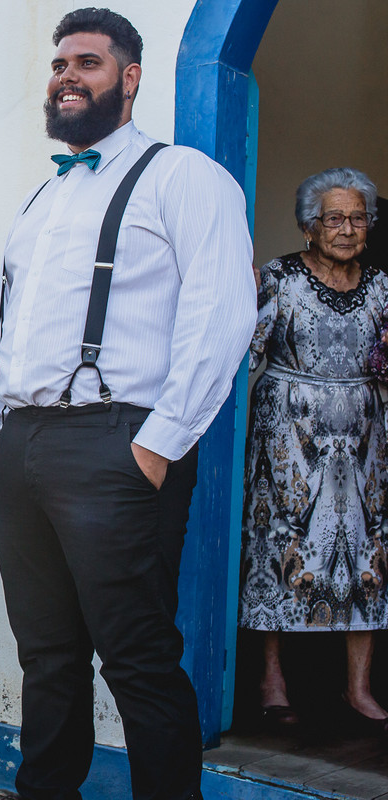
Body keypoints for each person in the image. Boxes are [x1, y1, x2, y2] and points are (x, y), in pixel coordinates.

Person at [0, 9, 256, 798]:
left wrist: (157, 444)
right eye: (60, 63)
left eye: (87, 63)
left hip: (117, 443)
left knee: (139, 661)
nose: (67, 75)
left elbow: (224, 312)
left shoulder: (183, 176)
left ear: (129, 79)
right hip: (23, 446)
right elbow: (4, 329)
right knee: (47, 658)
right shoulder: (40, 200)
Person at [239, 168, 388, 733]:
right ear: (310, 226)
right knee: (281, 545)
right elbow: (246, 354)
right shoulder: (279, 278)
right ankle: (271, 681)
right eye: (334, 218)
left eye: (358, 218)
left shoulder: (382, 285)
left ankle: (358, 688)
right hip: (288, 442)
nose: (347, 229)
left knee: (368, 555)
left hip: (365, 442)